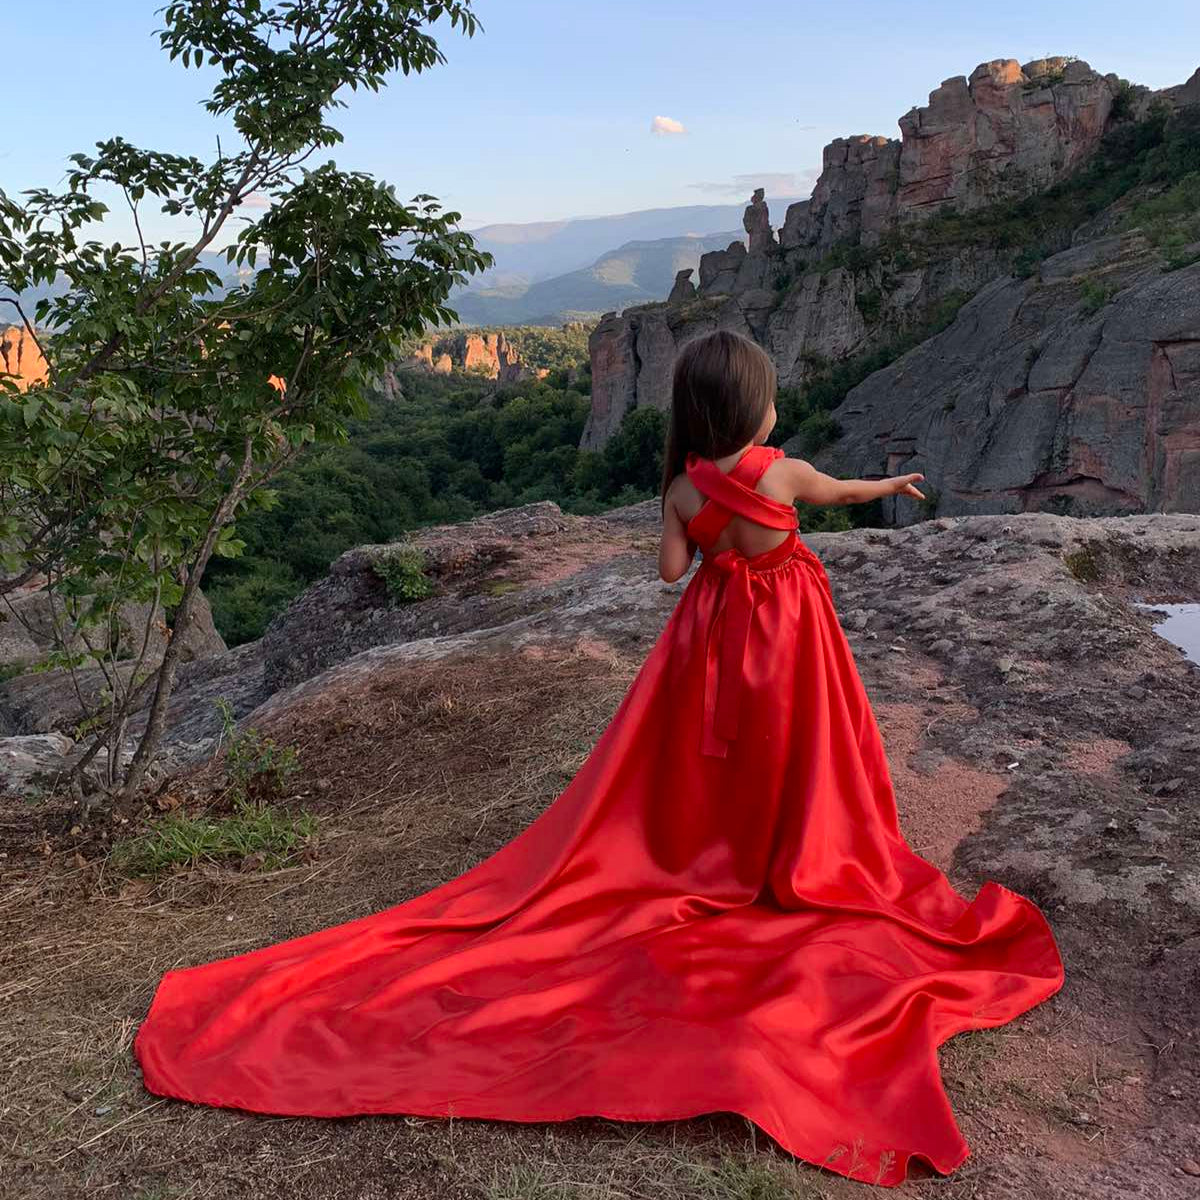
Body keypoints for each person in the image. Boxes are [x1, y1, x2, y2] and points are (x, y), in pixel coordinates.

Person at [134, 328, 1065, 1189]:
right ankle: (791, 856)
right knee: (799, 749)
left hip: (708, 641)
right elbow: (842, 497)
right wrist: (889, 491)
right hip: (785, 635)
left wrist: (700, 538)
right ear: (756, 410)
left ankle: (720, 856)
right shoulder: (781, 475)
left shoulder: (684, 490)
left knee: (702, 766)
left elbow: (670, 574)